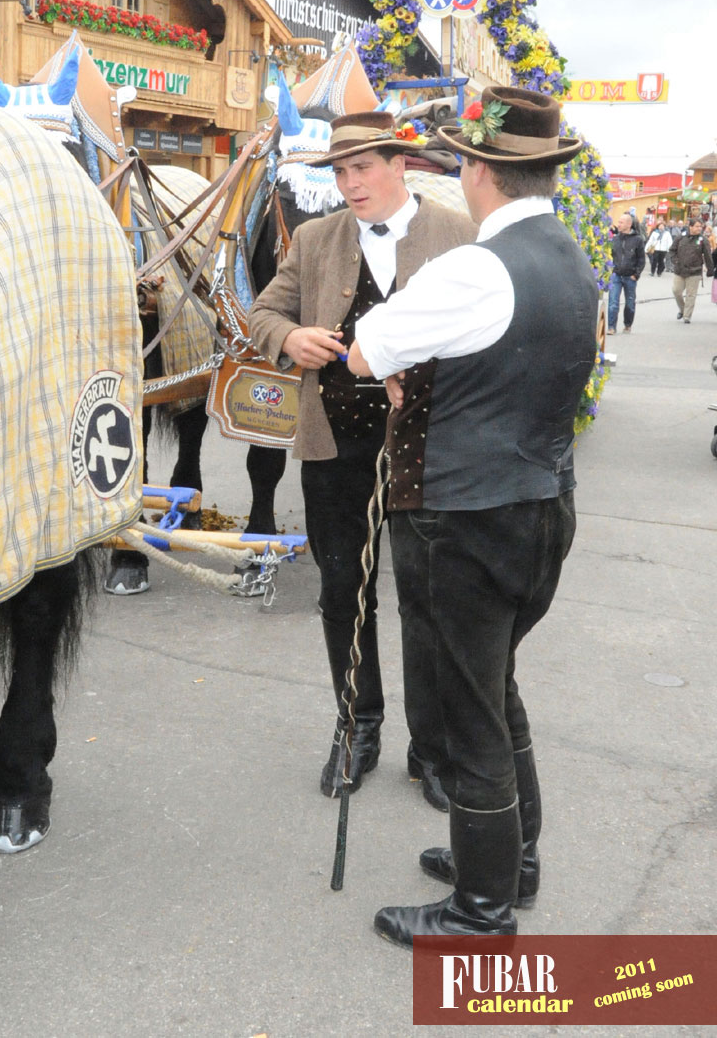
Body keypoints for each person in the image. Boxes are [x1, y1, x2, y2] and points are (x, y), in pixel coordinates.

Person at [347, 85, 598, 942]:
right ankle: (511, 859)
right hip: (543, 507)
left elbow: (368, 347)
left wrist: (382, 345)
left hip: (471, 519)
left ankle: (482, 910)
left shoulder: (475, 266)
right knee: (496, 686)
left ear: (480, 170)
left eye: (464, 162)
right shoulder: (570, 255)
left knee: (469, 707)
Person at [248, 111, 476, 808]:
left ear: (399, 164)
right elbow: (260, 313)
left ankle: (431, 748)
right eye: (340, 171)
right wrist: (290, 338)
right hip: (333, 448)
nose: (350, 184)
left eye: (363, 168)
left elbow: (485, 328)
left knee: (425, 601)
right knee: (343, 591)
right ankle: (357, 725)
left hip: (426, 451)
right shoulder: (317, 239)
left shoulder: (456, 235)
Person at [670, 218, 714, 323]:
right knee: (676, 291)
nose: (699, 228)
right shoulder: (680, 238)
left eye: (700, 226)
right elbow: (672, 251)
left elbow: (708, 255)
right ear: (691, 226)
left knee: (691, 294)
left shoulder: (703, 240)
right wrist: (676, 262)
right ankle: (682, 309)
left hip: (695, 271)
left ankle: (687, 316)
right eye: (697, 226)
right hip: (680, 270)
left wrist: (710, 269)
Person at [608, 213, 645, 333]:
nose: (618, 224)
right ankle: (611, 327)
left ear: (629, 224)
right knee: (613, 302)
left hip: (630, 276)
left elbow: (641, 259)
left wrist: (636, 274)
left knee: (629, 303)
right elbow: (610, 256)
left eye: (621, 222)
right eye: (618, 222)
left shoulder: (637, 240)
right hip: (616, 275)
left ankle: (627, 324)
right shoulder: (615, 238)